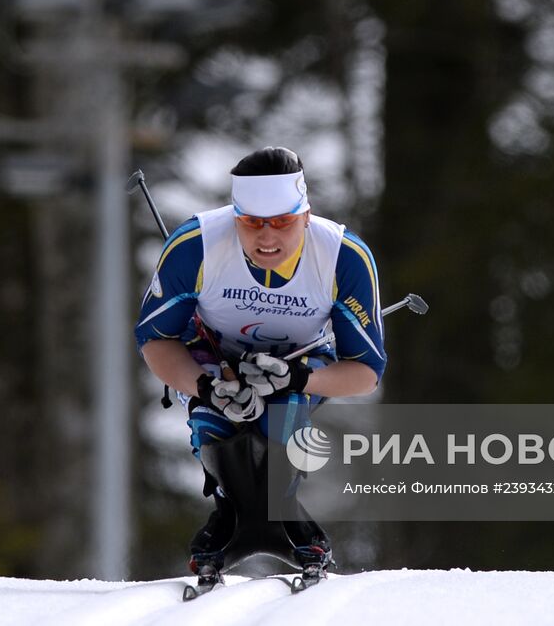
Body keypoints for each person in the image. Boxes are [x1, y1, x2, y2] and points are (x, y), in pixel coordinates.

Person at [135, 146, 386, 575]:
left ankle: (282, 520)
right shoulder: (195, 244)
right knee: (214, 420)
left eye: (283, 222)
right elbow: (155, 341)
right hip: (211, 352)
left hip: (301, 357)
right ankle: (234, 517)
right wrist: (205, 387)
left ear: (306, 216)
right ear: (235, 216)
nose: (266, 238)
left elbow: (364, 373)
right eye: (251, 223)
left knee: (282, 417)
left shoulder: (343, 256)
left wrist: (297, 379)